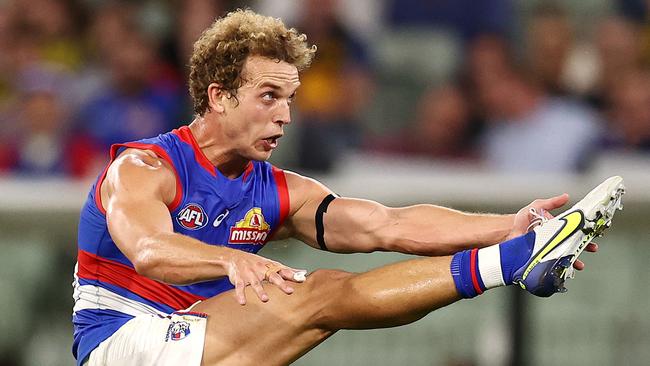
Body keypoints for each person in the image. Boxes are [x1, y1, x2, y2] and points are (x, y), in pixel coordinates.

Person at [71, 10, 624, 366]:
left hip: (201, 338)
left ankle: (518, 249)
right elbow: (148, 250)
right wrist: (228, 261)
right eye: (268, 96)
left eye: (290, 98)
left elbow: (391, 225)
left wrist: (506, 223)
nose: (285, 116)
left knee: (329, 295)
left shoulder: (280, 191)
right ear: (218, 97)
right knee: (317, 295)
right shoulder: (144, 167)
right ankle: (515, 263)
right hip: (122, 341)